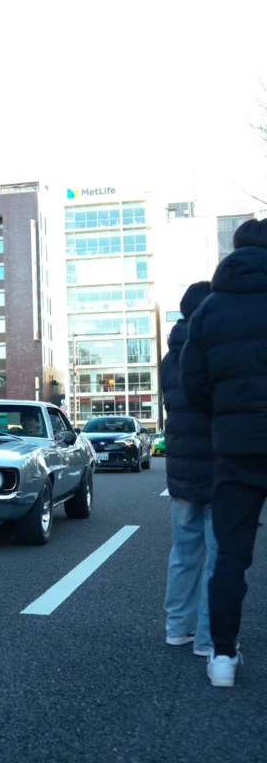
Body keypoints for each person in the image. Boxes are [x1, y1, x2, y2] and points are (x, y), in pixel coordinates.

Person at [181, 218, 267, 687]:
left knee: (230, 555)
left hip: (237, 448)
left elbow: (194, 383)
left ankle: (223, 658)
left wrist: (227, 413)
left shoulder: (211, 308)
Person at [161, 281, 215, 657]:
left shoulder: (170, 358)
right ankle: (210, 638)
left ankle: (177, 628)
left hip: (181, 465)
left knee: (184, 551)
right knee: (219, 555)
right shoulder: (212, 350)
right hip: (216, 460)